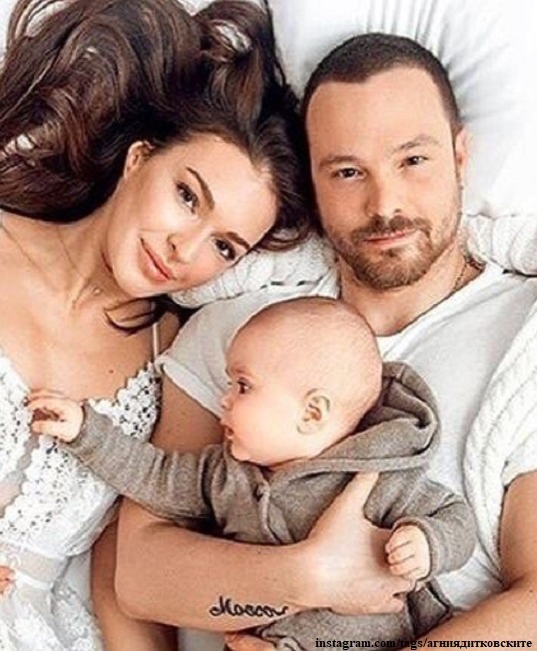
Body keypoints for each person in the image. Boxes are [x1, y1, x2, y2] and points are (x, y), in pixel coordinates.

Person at [0, 0, 313, 648]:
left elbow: (125, 589)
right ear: (140, 158)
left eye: (224, 246)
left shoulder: (176, 364)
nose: (185, 249)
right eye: (187, 196)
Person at [110, 32, 537, 649]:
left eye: (413, 160)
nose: (385, 203)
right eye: (347, 172)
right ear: (312, 183)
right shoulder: (239, 330)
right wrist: (309, 577)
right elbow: (140, 575)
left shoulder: (523, 341)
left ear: (460, 156)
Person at [28, 296, 475, 650]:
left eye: (243, 385)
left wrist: (426, 541)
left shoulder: (376, 475)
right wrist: (86, 432)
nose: (224, 399)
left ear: (312, 413)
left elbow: (455, 518)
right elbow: (153, 473)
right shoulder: (224, 475)